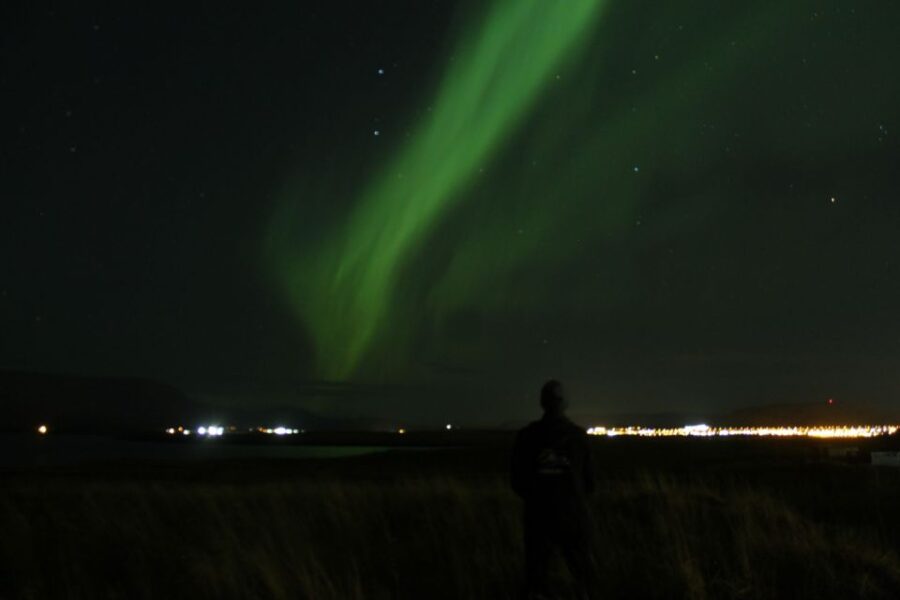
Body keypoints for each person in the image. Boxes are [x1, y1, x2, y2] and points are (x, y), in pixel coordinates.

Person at [511, 379, 597, 600]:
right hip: (573, 516)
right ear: (565, 404)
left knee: (536, 579)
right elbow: (590, 482)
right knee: (581, 578)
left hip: (538, 517)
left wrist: (536, 497)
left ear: (542, 403)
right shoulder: (578, 437)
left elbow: (517, 481)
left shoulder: (527, 437)